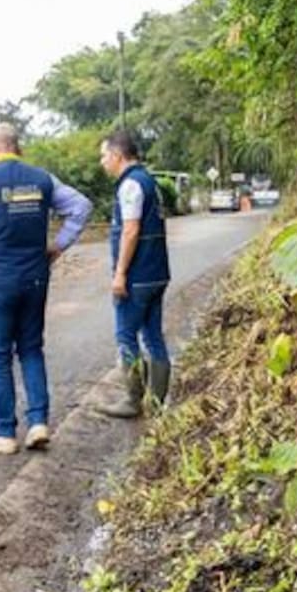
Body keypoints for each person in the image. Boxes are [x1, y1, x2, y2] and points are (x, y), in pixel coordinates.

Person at [0, 123, 93, 454]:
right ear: (19, 148)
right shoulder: (42, 179)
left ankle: (4, 433)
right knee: (31, 348)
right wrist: (57, 246)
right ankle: (39, 423)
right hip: (35, 278)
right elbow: (81, 207)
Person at [95, 130, 172, 418]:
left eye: (104, 156)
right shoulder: (149, 181)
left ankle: (132, 400)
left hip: (137, 277)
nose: (103, 162)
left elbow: (130, 230)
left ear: (117, 155)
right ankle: (156, 402)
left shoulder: (130, 186)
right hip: (157, 273)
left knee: (126, 336)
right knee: (153, 336)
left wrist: (120, 274)